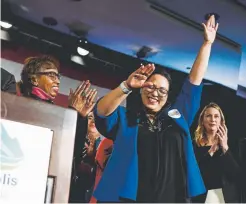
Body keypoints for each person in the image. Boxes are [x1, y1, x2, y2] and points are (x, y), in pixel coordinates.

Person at [93, 15, 219, 202]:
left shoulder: (178, 116)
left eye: (161, 90)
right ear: (141, 89)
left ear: (168, 96)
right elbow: (102, 111)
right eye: (150, 87)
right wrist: (126, 86)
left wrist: (207, 45)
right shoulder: (127, 118)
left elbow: (193, 83)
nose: (155, 93)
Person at [18, 55, 98, 202]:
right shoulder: (25, 106)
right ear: (34, 79)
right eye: (51, 74)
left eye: (58, 75)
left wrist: (80, 117)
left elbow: (72, 152)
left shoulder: (54, 110)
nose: (58, 80)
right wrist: (72, 112)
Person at [192, 102, 240, 203]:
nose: (213, 119)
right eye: (208, 116)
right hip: (200, 197)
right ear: (202, 120)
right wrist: (211, 151)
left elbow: (236, 174)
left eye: (216, 116)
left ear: (221, 121)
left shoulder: (230, 144)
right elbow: (194, 173)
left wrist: (225, 147)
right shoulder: (194, 145)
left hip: (223, 198)